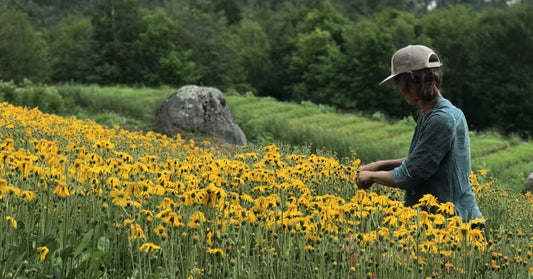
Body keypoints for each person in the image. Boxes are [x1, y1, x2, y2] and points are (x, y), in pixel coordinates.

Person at [355, 45, 483, 224]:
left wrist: (372, 176)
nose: (399, 90)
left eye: (399, 83)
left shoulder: (441, 119)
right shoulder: (431, 114)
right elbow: (421, 160)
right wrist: (379, 165)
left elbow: (410, 174)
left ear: (409, 77)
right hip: (440, 221)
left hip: (453, 225)